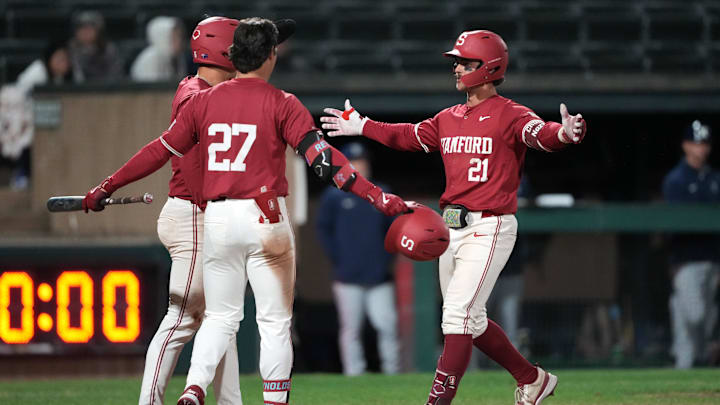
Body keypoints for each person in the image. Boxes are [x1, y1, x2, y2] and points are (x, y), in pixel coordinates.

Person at [81, 18, 408, 405]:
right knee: (273, 323)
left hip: (217, 219)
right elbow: (324, 163)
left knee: (220, 318)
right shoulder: (282, 102)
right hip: (264, 216)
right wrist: (377, 196)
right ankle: (271, 401)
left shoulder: (201, 99)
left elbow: (158, 151)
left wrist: (107, 185)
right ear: (269, 55)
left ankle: (194, 387)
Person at [321, 30, 587, 405]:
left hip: (490, 224)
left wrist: (565, 133)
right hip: (452, 227)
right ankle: (532, 379)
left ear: (489, 66)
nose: (457, 67)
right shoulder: (449, 117)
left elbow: (540, 134)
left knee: (457, 318)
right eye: (457, 61)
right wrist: (363, 126)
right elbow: (409, 136)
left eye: (465, 61)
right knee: (470, 321)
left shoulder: (510, 112)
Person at [135, 16, 244, 405]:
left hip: (202, 217)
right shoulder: (196, 94)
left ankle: (230, 401)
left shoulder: (202, 87)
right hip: (194, 217)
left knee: (222, 320)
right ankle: (149, 401)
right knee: (182, 319)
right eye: (238, 46)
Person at [316, 141, 400, 376]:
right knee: (351, 329)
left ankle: (392, 372)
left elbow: (394, 229)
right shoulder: (334, 196)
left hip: (379, 277)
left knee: (387, 325)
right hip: (347, 276)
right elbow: (323, 230)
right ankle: (354, 374)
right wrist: (338, 259)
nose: (360, 166)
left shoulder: (381, 192)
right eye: (355, 162)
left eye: (363, 161)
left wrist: (385, 260)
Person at [662, 120, 720, 369]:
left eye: (704, 143)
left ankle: (687, 365)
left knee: (706, 321)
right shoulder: (676, 179)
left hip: (713, 259)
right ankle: (689, 355)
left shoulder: (715, 178)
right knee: (695, 316)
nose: (701, 149)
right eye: (696, 143)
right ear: (686, 145)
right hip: (686, 260)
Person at [0, 40, 75, 189]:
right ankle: (22, 172)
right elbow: (19, 98)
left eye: (65, 60)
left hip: (30, 114)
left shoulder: (70, 75)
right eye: (59, 59)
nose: (63, 63)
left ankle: (25, 172)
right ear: (49, 59)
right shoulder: (37, 72)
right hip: (11, 106)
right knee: (27, 133)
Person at [68, 10, 125, 82]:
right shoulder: (69, 49)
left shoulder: (108, 49)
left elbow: (116, 76)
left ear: (98, 31)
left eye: (89, 28)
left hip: (105, 89)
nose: (85, 32)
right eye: (81, 28)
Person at [131, 16, 188, 82]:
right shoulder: (150, 59)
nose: (180, 41)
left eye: (180, 36)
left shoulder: (179, 58)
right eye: (174, 37)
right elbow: (151, 90)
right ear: (162, 38)